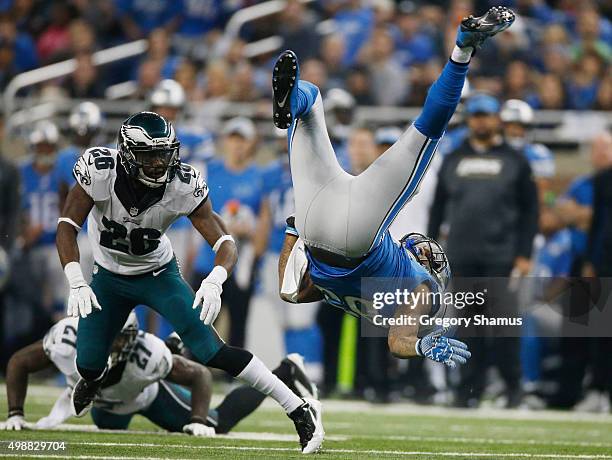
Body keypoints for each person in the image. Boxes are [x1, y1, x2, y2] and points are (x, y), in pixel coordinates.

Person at [55, 111, 324, 453]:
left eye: (164, 153)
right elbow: (66, 225)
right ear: (127, 155)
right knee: (88, 364)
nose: (159, 163)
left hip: (157, 275)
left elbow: (225, 241)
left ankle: (298, 409)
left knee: (212, 350)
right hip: (107, 277)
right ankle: (94, 378)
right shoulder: (99, 170)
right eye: (150, 155)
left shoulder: (182, 184)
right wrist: (76, 279)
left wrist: (215, 278)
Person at [272, 7, 516, 366]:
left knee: (426, 128)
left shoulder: (421, 284)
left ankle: (462, 50)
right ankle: (293, 103)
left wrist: (417, 342)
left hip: (359, 235)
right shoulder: (394, 296)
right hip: (319, 228)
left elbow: (399, 335)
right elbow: (290, 291)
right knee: (316, 109)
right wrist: (294, 232)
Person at [0, 313, 318, 436]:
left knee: (216, 423)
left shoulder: (146, 355)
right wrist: (15, 413)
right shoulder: (66, 340)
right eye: (107, 335)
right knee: (108, 426)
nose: (112, 345)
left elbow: (200, 376)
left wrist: (196, 420)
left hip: (144, 396)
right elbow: (18, 362)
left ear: (132, 338)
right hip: (103, 406)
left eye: (120, 338)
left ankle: (285, 372)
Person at [428, 92, 539, 408]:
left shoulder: (515, 160)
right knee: (467, 328)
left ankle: (513, 388)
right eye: (476, 115)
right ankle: (467, 391)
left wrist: (524, 254)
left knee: (503, 327)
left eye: (486, 115)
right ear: (470, 120)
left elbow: (530, 211)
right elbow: (438, 208)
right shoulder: (453, 159)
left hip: (501, 257)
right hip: (462, 256)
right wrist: (431, 248)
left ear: (497, 120)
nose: (481, 120)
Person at [191, 117, 270, 350]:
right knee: (200, 321)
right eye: (233, 139)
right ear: (225, 141)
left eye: (242, 140)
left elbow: (265, 217)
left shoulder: (258, 176)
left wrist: (255, 243)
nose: (237, 145)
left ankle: (232, 376)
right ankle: (195, 368)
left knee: (238, 323)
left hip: (241, 264)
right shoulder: (210, 171)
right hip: (209, 259)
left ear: (251, 144)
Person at [19, 120, 67, 318]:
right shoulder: (21, 173)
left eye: (49, 147)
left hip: (54, 244)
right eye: (41, 147)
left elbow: (69, 209)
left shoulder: (62, 173)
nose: (45, 152)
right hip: (27, 244)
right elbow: (15, 210)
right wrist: (24, 232)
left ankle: (60, 320)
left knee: (59, 271)